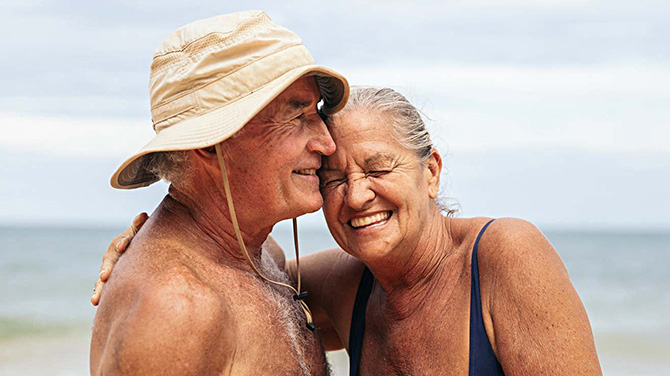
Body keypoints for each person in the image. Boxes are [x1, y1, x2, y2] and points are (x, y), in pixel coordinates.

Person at [95, 86, 603, 374]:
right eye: (332, 177)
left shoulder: (503, 256)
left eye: (379, 169)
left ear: (431, 172)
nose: (356, 195)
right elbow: (231, 276)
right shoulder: (345, 286)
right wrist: (145, 248)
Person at [90, 11, 350, 375]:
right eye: (296, 117)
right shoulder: (178, 310)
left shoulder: (261, 258)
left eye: (317, 113)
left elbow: (388, 287)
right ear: (210, 146)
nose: (326, 142)